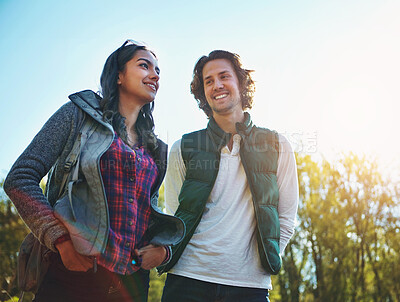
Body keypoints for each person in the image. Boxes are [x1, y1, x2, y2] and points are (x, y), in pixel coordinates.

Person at [4, 39, 184, 302]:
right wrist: (61, 241)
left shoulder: (155, 148)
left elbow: (148, 210)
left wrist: (163, 252)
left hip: (132, 285)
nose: (154, 75)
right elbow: (20, 178)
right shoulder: (78, 115)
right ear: (119, 75)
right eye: (144, 66)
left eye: (158, 71)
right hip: (72, 274)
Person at [160, 50, 299, 302]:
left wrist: (266, 256)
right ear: (202, 92)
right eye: (208, 81)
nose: (217, 85)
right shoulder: (183, 147)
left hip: (249, 285)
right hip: (187, 280)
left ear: (241, 83)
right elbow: (174, 215)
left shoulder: (276, 144)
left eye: (224, 76)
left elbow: (286, 217)